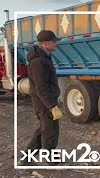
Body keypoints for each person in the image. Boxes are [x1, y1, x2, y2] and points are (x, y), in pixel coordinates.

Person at [18, 30, 63, 166]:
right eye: (53, 41)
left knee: (45, 129)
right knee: (49, 130)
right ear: (45, 43)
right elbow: (41, 86)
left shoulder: (44, 58)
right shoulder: (38, 62)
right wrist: (51, 105)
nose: (56, 43)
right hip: (44, 101)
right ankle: (49, 159)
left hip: (46, 100)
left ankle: (27, 159)